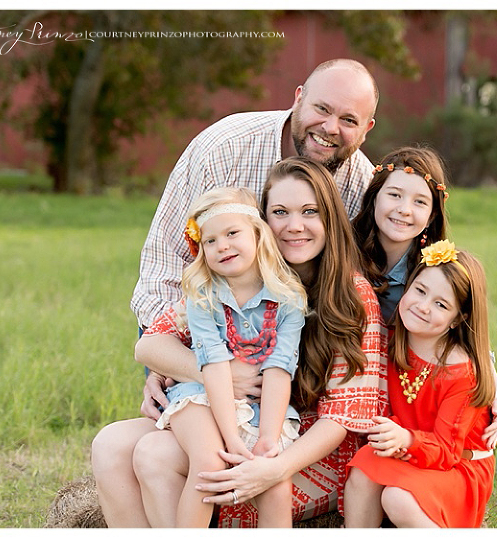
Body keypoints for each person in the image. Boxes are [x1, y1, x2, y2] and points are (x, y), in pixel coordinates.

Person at [92, 157, 388, 527]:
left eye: (309, 211)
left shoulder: (350, 295)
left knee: (155, 453)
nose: (294, 226)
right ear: (262, 223)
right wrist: (210, 373)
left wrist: (274, 467)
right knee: (109, 444)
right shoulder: (238, 273)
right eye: (280, 212)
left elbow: (343, 417)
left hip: (303, 446)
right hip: (231, 415)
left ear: (330, 217)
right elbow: (150, 345)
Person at [131, 58, 378, 331]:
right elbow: (165, 265)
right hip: (202, 329)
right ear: (298, 99)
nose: (331, 127)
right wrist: (170, 350)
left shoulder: (364, 187)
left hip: (299, 340)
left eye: (349, 120)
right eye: (322, 108)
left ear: (365, 130)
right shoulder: (223, 150)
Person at [148, 187, 307, 526]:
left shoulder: (289, 299)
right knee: (209, 463)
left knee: (276, 482)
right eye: (210, 241)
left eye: (232, 233)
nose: (222, 246)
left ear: (258, 234)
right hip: (201, 396)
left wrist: (267, 437)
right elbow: (214, 367)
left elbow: (280, 369)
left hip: (261, 407)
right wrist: (232, 440)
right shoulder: (203, 297)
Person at [344, 240, 495, 528]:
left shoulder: (460, 371)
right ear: (409, 286)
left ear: (457, 319)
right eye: (420, 291)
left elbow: (448, 450)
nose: (423, 307)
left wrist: (408, 439)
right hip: (410, 454)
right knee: (364, 465)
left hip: (458, 465)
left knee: (397, 498)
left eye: (440, 304)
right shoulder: (390, 339)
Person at [351, 146, 449, 323]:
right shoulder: (342, 251)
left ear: (431, 217)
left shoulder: (434, 274)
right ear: (374, 199)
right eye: (395, 195)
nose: (404, 210)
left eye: (420, 201)